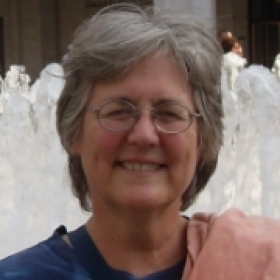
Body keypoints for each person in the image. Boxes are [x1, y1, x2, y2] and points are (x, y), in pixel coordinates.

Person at [1, 3, 280, 280]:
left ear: (203, 140)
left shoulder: (266, 264)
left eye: (169, 113)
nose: (145, 135)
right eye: (119, 111)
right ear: (74, 131)